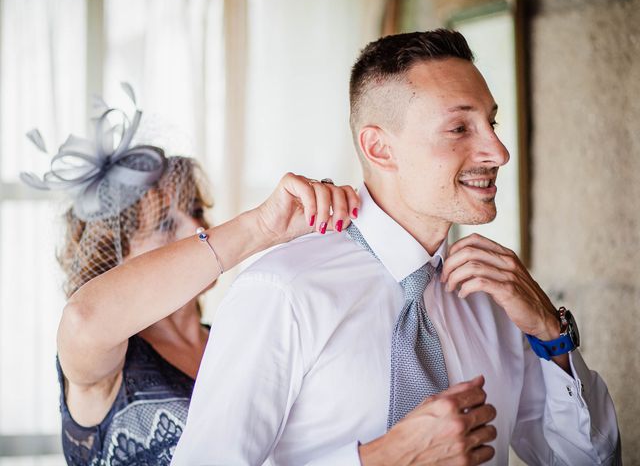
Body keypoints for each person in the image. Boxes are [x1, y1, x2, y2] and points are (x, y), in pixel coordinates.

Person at [172, 30, 620, 465]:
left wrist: (550, 335)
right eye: (460, 127)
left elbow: (590, 459)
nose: (499, 152)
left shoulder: (494, 296)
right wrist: (382, 460)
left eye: (492, 123)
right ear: (380, 148)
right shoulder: (281, 292)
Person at [21, 85, 359, 465]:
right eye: (166, 224)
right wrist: (261, 227)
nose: (197, 227)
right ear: (114, 258)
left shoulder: (241, 334)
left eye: (196, 209)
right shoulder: (104, 365)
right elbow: (83, 318)